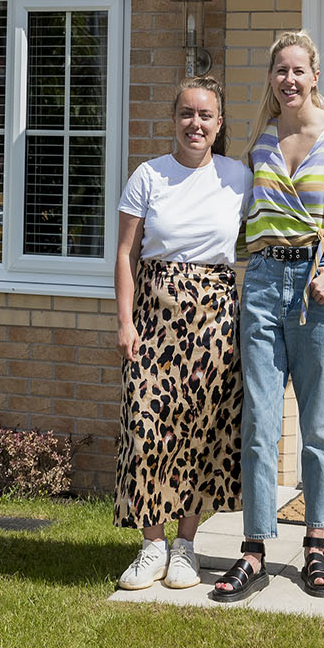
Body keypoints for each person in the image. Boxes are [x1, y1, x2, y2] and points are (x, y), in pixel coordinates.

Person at [210, 31, 324, 602]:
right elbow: (236, 225)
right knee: (260, 426)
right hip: (263, 287)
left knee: (318, 429)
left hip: (321, 293)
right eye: (279, 71)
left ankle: (317, 547)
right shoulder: (260, 146)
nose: (288, 81)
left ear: (315, 75)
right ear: (271, 79)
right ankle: (254, 550)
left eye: (298, 70)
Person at [113, 75, 252, 590]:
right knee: (146, 425)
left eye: (206, 115)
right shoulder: (148, 176)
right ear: (174, 120)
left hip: (215, 319)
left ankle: (186, 547)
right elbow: (126, 256)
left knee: (201, 429)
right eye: (187, 114)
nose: (196, 123)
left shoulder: (238, 176)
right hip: (154, 315)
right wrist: (125, 321)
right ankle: (152, 545)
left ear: (219, 125)